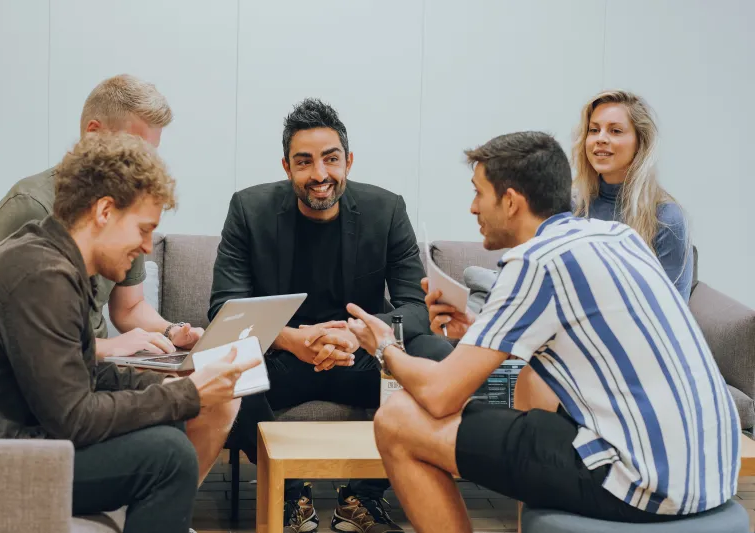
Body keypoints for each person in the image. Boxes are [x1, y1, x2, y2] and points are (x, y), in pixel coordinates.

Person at [346, 131, 740, 532]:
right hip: (712, 471)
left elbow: (440, 395)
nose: (472, 207)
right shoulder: (618, 237)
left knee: (397, 419)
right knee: (533, 381)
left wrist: (384, 347)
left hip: (643, 484)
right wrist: (478, 329)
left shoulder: (535, 261)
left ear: (511, 201)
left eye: (479, 193)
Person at [0, 133, 259, 533]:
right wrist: (187, 394)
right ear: (104, 211)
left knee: (167, 428)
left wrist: (176, 380)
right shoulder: (43, 276)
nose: (148, 246)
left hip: (6, 433)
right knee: (170, 457)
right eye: (143, 229)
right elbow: (74, 419)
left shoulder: (52, 260)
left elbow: (83, 374)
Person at [210, 98, 453, 533]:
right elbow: (225, 309)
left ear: (348, 161)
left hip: (361, 357)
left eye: (330, 159)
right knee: (223, 368)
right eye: (304, 162)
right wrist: (291, 339)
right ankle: (290, 496)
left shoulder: (386, 210)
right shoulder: (249, 209)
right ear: (287, 167)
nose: (319, 174)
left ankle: (362, 499)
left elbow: (414, 307)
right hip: (284, 359)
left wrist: (359, 335)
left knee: (436, 353)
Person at [0, 74, 204, 359]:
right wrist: (106, 348)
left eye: (151, 153)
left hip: (93, 365)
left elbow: (129, 307)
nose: (145, 165)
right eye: (136, 149)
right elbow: (10, 336)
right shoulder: (30, 207)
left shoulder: (127, 213)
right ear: (93, 133)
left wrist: (172, 332)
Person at [572, 89, 693, 302]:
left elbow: (673, 309)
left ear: (640, 143)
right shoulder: (572, 206)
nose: (600, 139)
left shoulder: (666, 218)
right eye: (594, 130)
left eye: (615, 131)